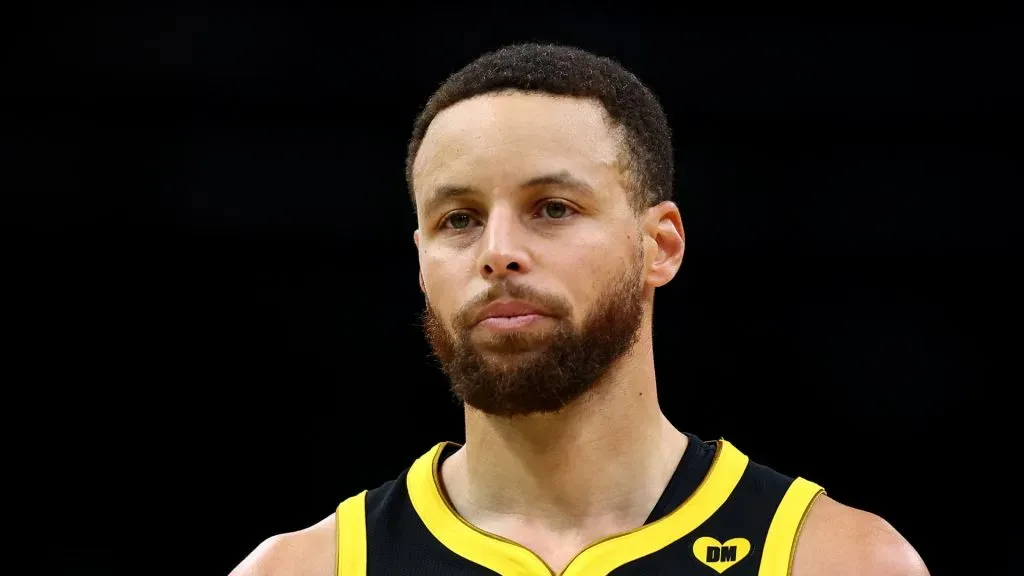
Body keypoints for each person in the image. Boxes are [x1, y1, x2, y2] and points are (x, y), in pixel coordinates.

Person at [230, 43, 929, 576]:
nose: (497, 252)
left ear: (659, 245)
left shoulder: (835, 559)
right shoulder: (303, 568)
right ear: (420, 260)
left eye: (553, 209)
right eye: (459, 219)